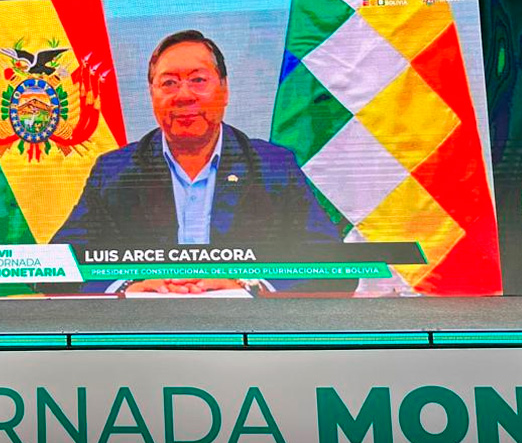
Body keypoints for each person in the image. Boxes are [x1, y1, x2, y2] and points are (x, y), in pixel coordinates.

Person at [52, 30, 348, 294]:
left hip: (244, 327)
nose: (183, 95)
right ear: (151, 95)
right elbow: (56, 265)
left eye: (198, 80)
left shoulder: (272, 166)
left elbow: (332, 262)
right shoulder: (116, 171)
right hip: (147, 329)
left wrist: (249, 284)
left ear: (224, 89)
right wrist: (128, 287)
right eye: (168, 83)